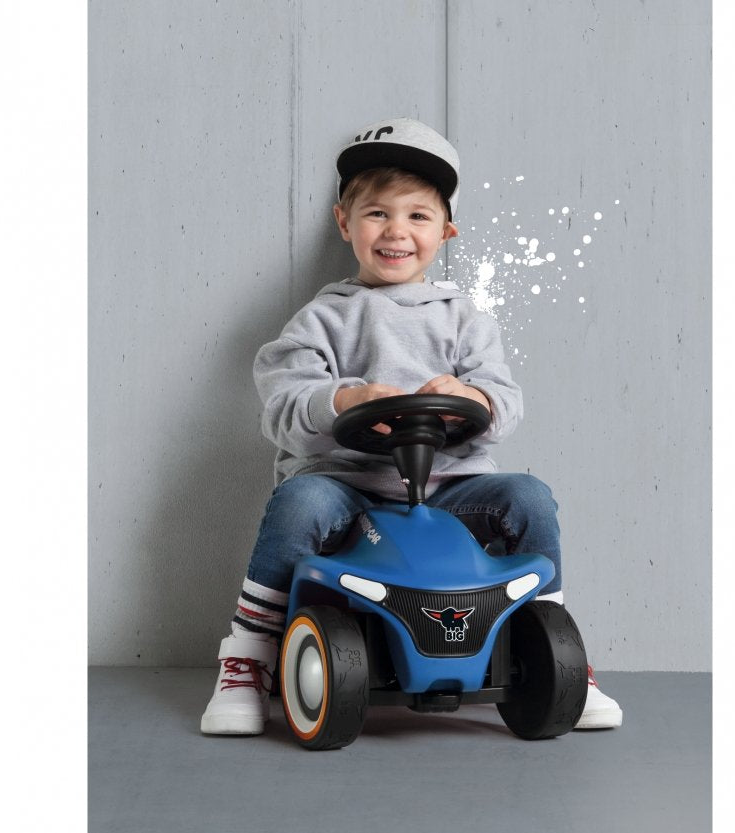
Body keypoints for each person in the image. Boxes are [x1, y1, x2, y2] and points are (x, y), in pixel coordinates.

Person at [201, 117, 623, 735]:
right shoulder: (321, 320)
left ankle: (552, 647)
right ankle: (249, 655)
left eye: (418, 216)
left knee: (529, 497)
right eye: (377, 213)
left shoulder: (465, 320)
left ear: (445, 230)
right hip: (348, 490)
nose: (396, 230)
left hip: (452, 491)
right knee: (299, 502)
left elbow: (504, 402)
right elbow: (284, 409)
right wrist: (345, 399)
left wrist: (470, 396)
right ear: (344, 223)